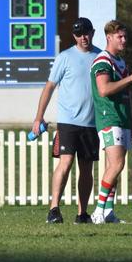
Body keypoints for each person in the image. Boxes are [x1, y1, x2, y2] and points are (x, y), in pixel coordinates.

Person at [31, 17, 102, 224]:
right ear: (74, 36)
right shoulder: (65, 57)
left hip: (91, 122)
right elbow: (49, 87)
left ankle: (82, 213)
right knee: (66, 162)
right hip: (68, 121)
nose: (83, 38)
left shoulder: (100, 57)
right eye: (79, 34)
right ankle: (54, 208)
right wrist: (38, 117)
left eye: (86, 33)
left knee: (87, 168)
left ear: (93, 32)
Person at [90, 21, 132, 224]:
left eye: (125, 36)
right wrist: (130, 79)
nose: (123, 40)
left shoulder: (120, 62)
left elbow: (126, 96)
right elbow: (104, 89)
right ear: (108, 37)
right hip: (108, 117)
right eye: (119, 36)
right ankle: (98, 210)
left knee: (115, 166)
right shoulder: (103, 61)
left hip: (121, 118)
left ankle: (108, 212)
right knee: (117, 165)